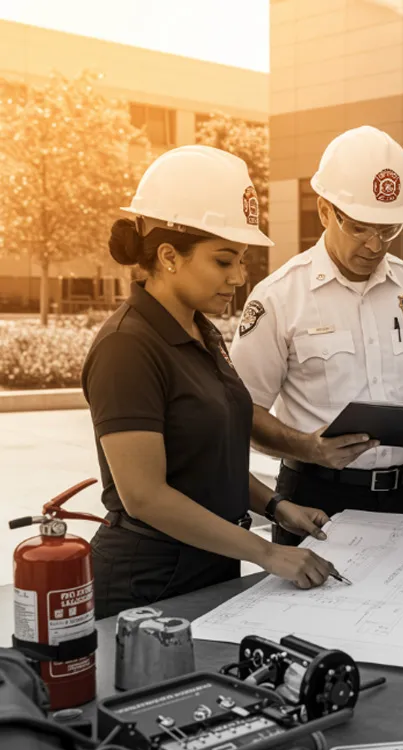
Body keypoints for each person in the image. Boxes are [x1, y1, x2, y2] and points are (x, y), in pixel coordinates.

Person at [82, 145, 339, 620]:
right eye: (224, 261)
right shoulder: (127, 346)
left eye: (241, 260)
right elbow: (146, 496)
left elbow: (205, 463)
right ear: (168, 256)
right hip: (148, 582)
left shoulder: (202, 332)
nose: (240, 277)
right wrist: (267, 553)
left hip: (209, 562)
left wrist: (277, 506)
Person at [229, 126, 403, 544]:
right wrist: (307, 446)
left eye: (389, 229)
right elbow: (241, 413)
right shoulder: (279, 297)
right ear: (325, 211)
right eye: (360, 227)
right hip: (316, 502)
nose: (376, 245)